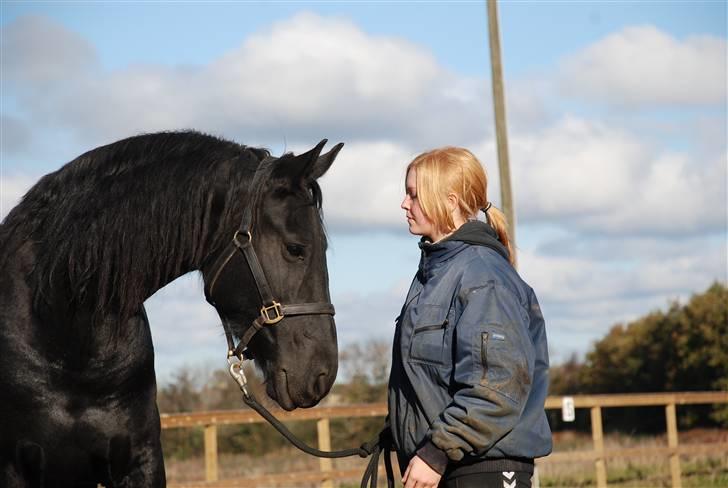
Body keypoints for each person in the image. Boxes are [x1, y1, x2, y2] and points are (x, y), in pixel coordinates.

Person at [387, 147, 552, 488]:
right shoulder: (435, 274)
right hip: (449, 467)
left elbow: (497, 385)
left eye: (414, 194)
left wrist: (438, 451)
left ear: (449, 201)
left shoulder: (482, 275)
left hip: (482, 470)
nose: (405, 204)